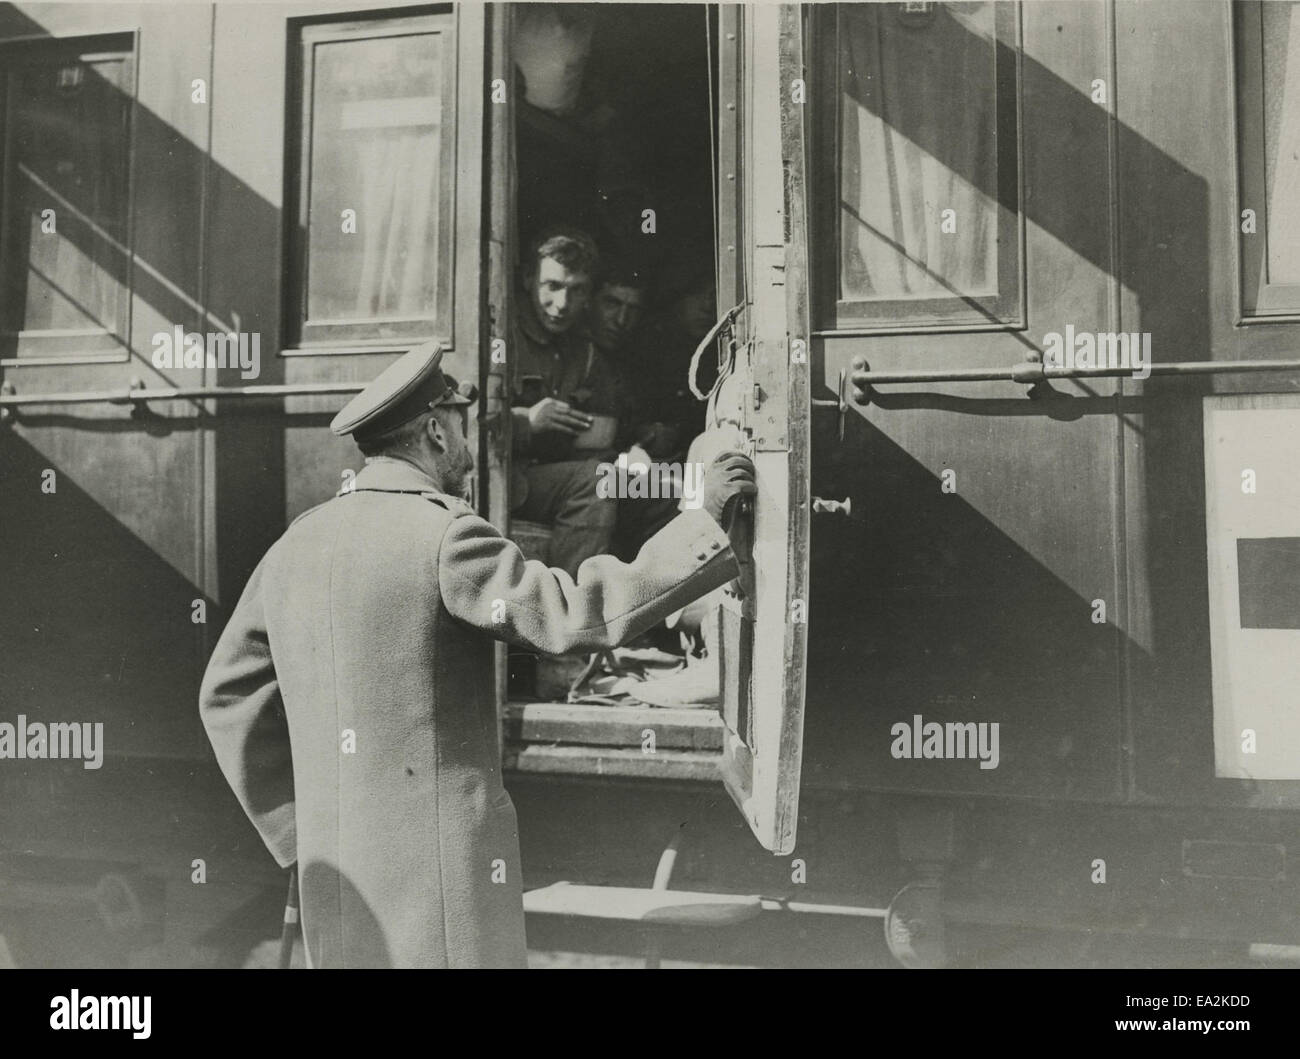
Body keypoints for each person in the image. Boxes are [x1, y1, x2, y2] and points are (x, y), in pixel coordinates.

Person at [198, 340, 756, 968]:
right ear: (436, 432)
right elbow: (575, 617)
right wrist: (703, 524)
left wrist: (299, 830)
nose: (468, 441)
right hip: (437, 881)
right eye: (461, 423)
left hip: (336, 877)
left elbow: (227, 695)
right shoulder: (445, 535)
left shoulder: (297, 542)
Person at [510, 227, 624, 577]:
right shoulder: (501, 338)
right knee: (596, 480)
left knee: (641, 485)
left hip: (553, 478)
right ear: (529, 278)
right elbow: (466, 425)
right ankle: (573, 611)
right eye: (553, 286)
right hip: (506, 479)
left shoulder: (586, 353)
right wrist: (526, 423)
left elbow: (605, 431)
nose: (562, 305)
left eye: (576, 291)